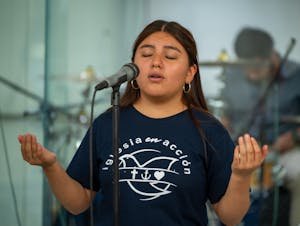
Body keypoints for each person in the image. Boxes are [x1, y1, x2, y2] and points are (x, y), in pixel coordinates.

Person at [18, 20, 268, 226]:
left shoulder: (209, 130)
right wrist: (51, 166)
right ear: (133, 68)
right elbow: (78, 202)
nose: (156, 62)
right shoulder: (107, 123)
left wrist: (241, 175)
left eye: (170, 56)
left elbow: (230, 217)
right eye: (146, 54)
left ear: (190, 73)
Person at [221, 27, 300, 226]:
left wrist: (294, 137)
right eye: (246, 65)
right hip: (241, 147)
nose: (251, 72)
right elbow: (226, 112)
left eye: (257, 65)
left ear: (272, 54)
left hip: (282, 150)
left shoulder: (296, 75)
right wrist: (223, 123)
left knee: (298, 173)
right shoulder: (233, 74)